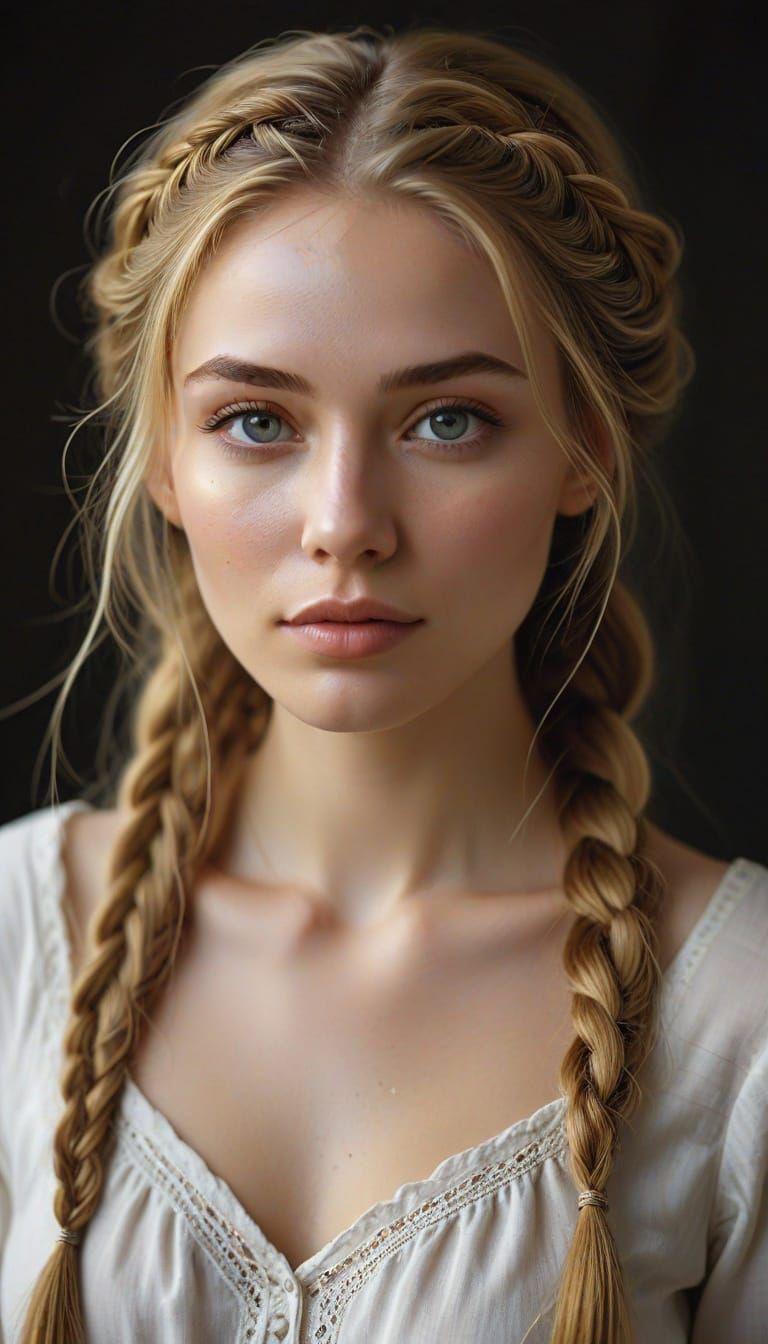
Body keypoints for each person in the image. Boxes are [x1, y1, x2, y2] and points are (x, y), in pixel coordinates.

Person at [0, 23, 765, 1344]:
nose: (345, 522)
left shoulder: (741, 1013)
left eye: (447, 420)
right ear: (167, 462)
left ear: (583, 448)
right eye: (258, 421)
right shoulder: (13, 945)